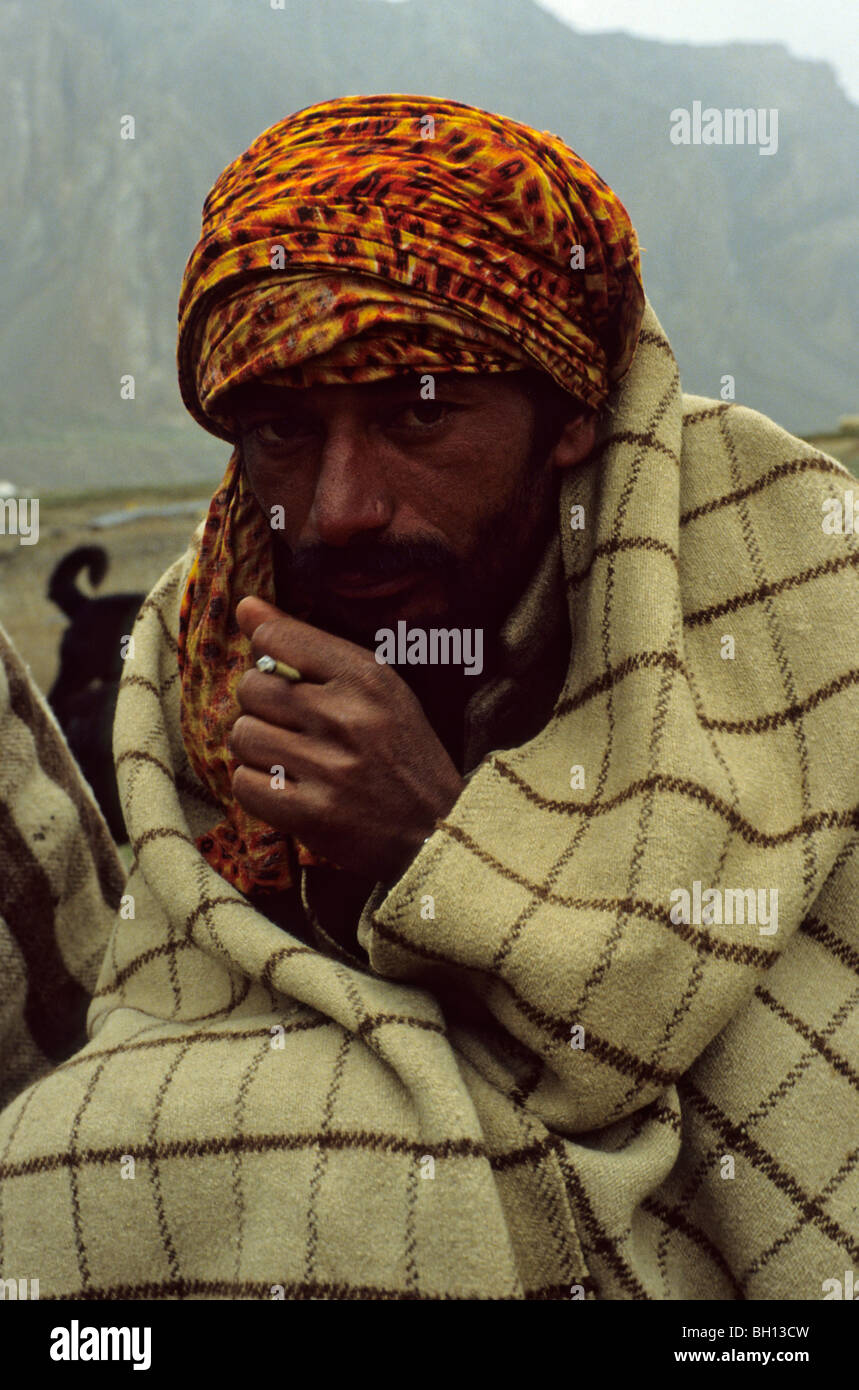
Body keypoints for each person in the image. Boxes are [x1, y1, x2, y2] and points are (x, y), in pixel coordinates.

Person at [1, 93, 856, 1301]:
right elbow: (180, 1008)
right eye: (284, 433)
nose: (341, 504)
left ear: (570, 412)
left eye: (418, 413)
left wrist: (440, 841)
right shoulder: (204, 643)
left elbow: (763, 1059)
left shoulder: (779, 571)